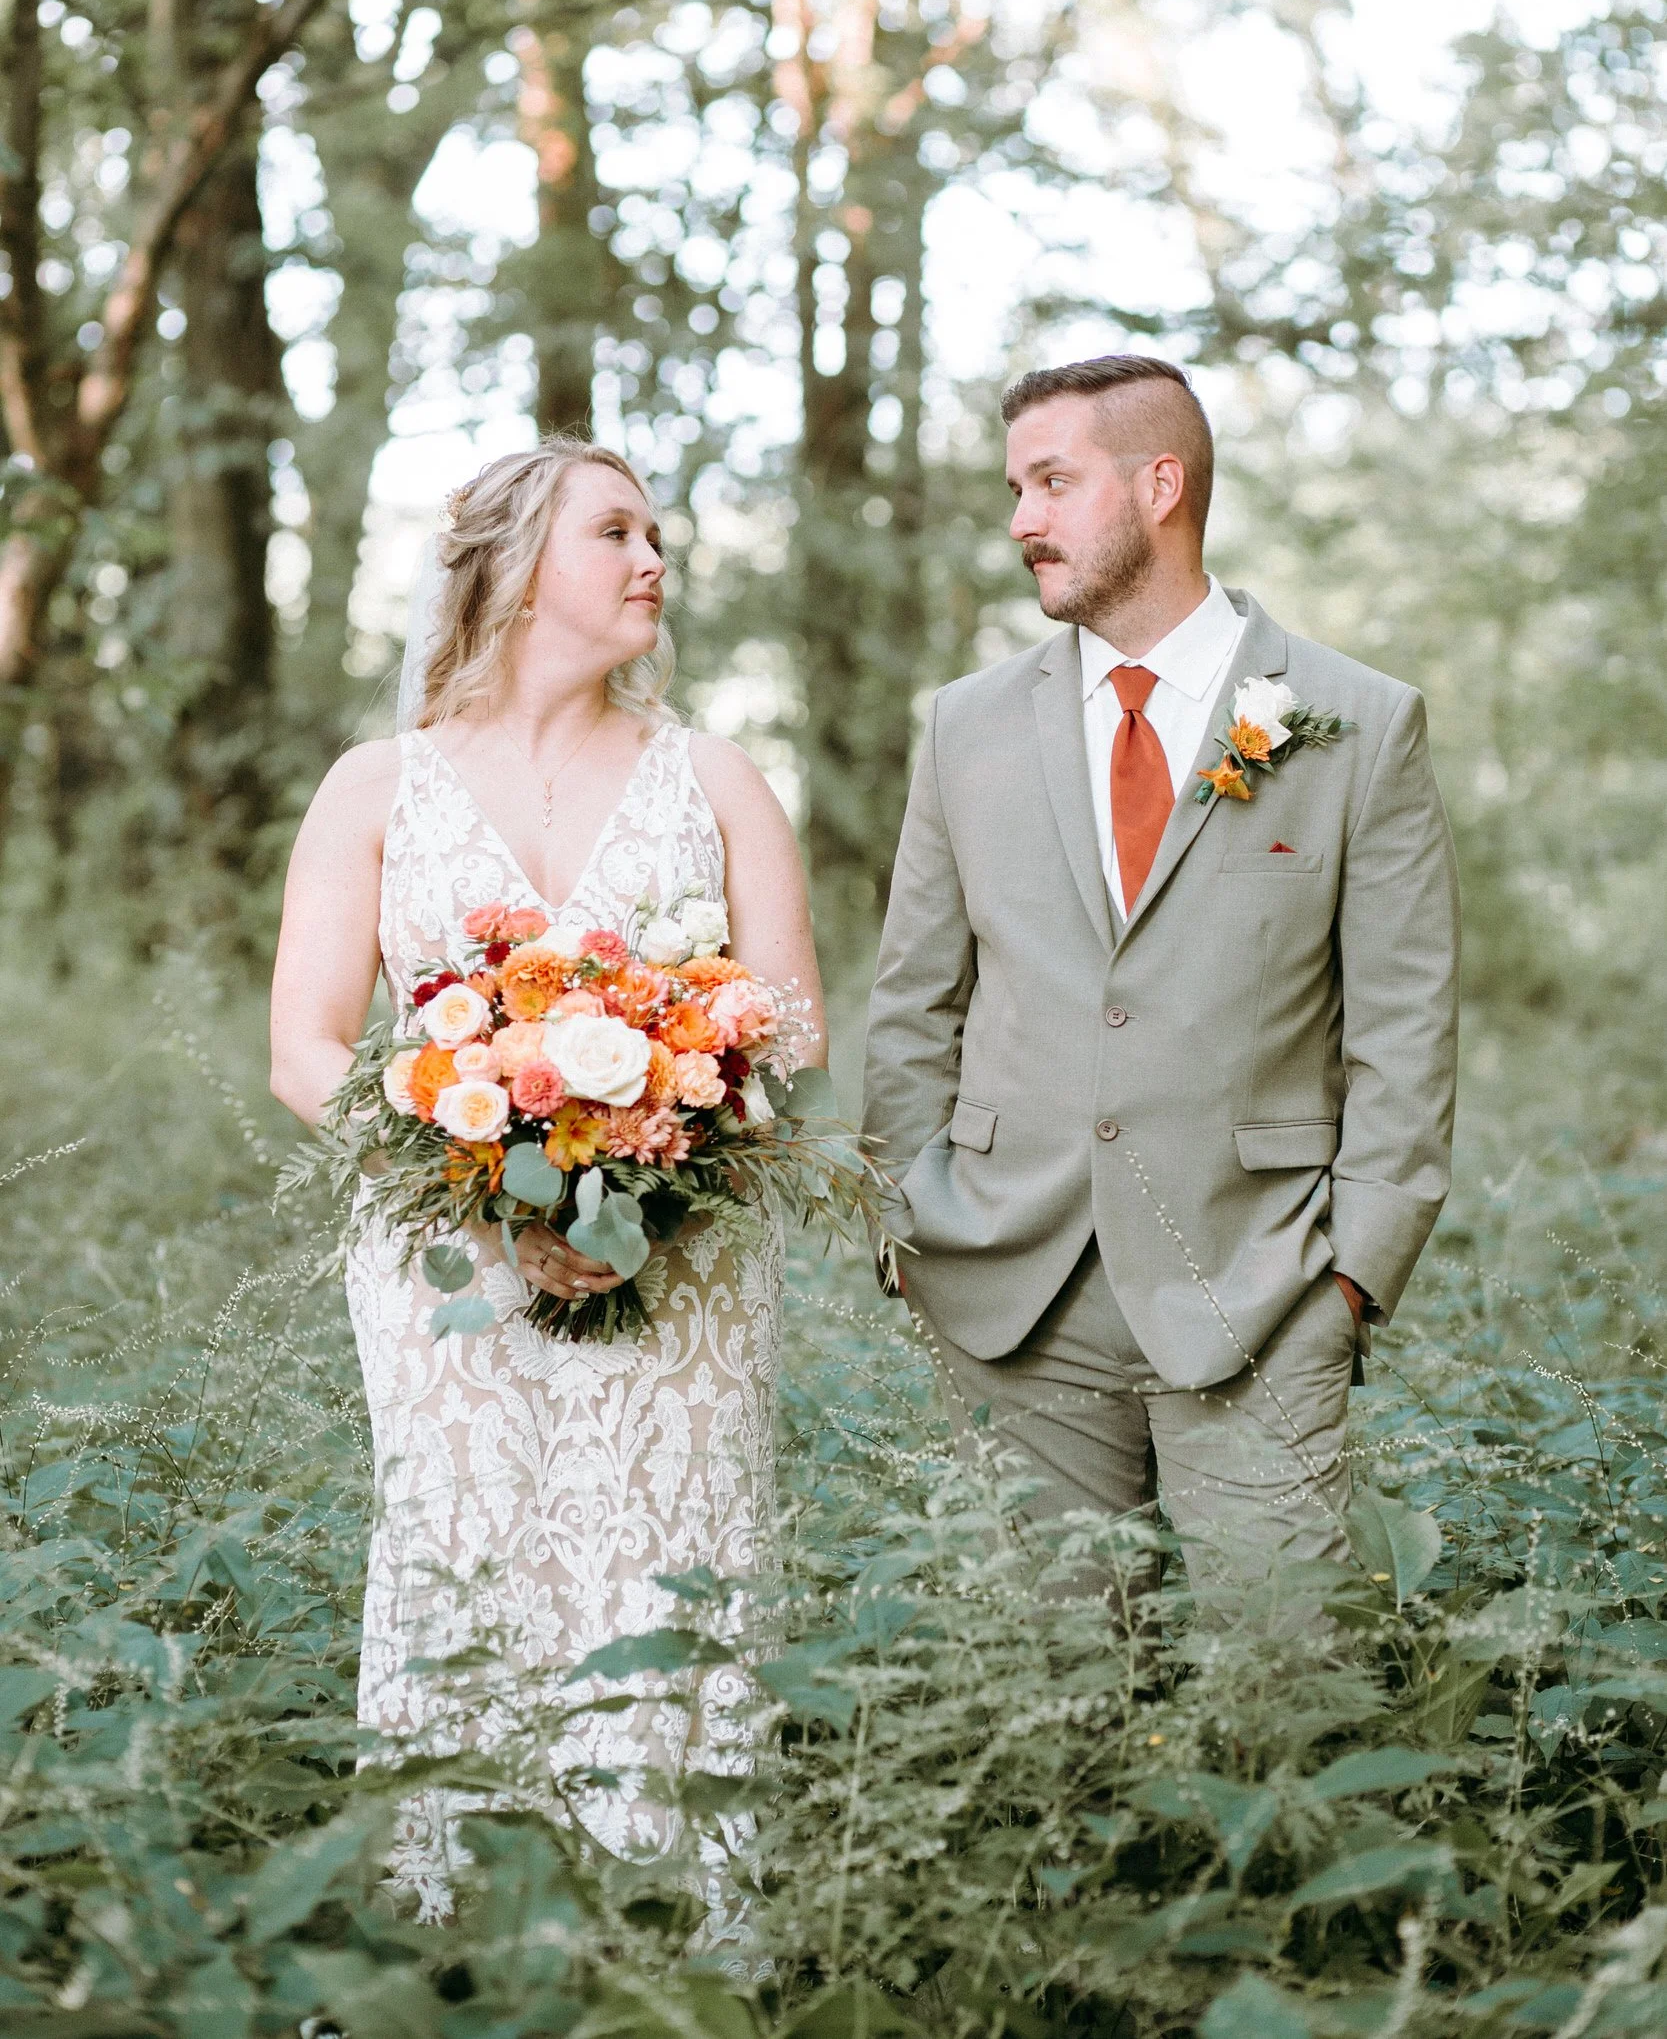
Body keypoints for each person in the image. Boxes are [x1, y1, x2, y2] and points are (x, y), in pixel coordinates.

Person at [270, 437, 824, 1922]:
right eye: (618, 535)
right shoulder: (374, 787)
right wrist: (490, 1200)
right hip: (447, 1271)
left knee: (671, 1550)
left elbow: (788, 1019)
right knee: (467, 1543)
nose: (656, 563)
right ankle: (451, 1922)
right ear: (516, 571)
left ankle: (677, 1918)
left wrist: (658, 1165)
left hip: (687, 1262)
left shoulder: (712, 777)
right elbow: (307, 1046)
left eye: (658, 538)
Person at [862, 355, 1460, 1612]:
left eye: (1050, 482)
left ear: (1159, 484)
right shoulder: (962, 727)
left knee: (1280, 1683)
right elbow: (915, 995)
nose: (1020, 519)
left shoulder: (1352, 721)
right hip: (1006, 1284)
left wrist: (1355, 1270)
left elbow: (1402, 1025)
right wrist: (903, 1220)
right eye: (1015, 487)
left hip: (1258, 1279)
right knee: (1048, 1704)